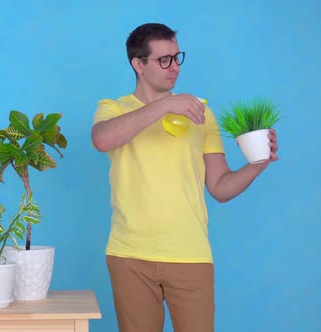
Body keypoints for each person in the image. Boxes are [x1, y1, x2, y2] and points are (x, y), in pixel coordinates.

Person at [91, 23, 279, 332]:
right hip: (130, 255)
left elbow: (219, 187)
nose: (174, 66)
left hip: (191, 255)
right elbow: (102, 140)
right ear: (138, 65)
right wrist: (165, 105)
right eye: (164, 60)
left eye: (177, 57)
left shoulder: (200, 114)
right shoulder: (112, 108)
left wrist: (257, 165)